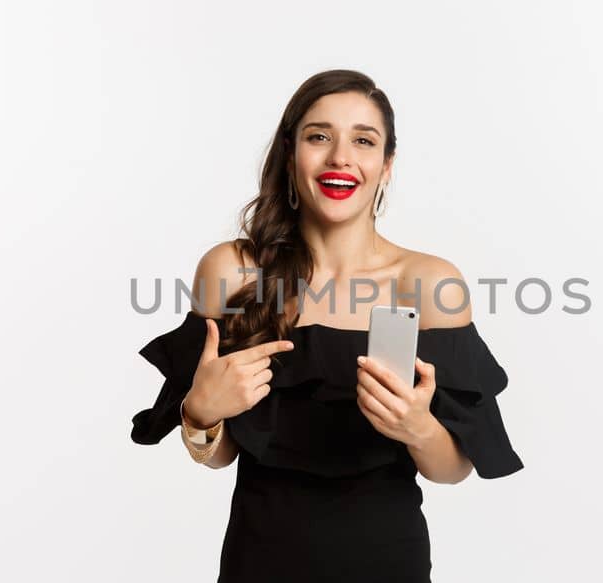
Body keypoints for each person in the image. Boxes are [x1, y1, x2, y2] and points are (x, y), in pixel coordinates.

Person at [130, 69, 524, 583]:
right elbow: (219, 455)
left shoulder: (429, 283)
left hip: (388, 560)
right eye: (320, 137)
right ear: (291, 154)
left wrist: (417, 427)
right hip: (259, 558)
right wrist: (200, 413)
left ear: (386, 166)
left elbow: (450, 469)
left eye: (364, 140)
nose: (341, 156)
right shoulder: (231, 271)